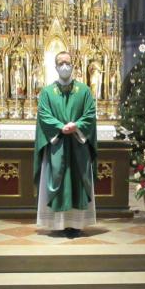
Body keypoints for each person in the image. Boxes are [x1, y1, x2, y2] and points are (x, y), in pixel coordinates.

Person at [33, 50, 98, 238]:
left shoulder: (84, 91)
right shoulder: (47, 92)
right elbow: (43, 115)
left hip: (78, 144)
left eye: (67, 63)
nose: (64, 66)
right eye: (60, 63)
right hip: (57, 145)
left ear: (73, 65)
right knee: (57, 179)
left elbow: (90, 114)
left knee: (78, 180)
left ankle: (77, 223)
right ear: (55, 67)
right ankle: (57, 223)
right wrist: (60, 127)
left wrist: (76, 125)